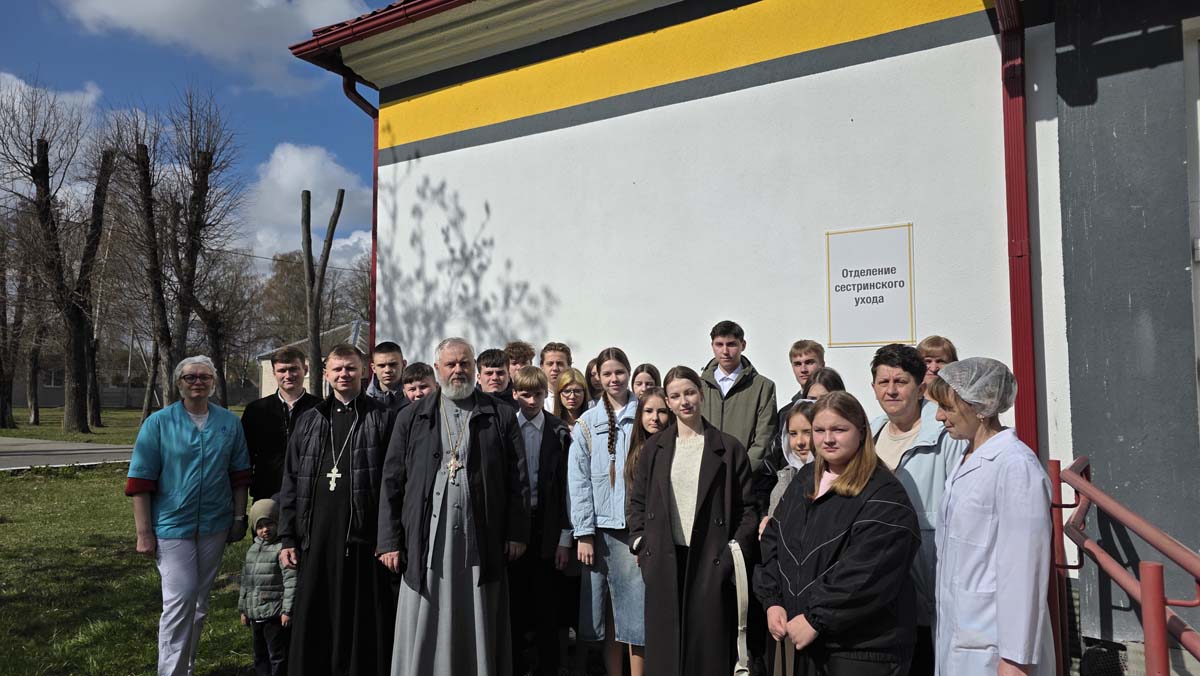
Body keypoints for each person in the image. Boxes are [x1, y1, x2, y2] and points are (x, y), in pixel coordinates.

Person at [378, 337, 531, 676]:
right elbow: (392, 480)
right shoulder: (411, 416)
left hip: (482, 535)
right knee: (427, 606)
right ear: (437, 369)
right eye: (451, 364)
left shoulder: (500, 415)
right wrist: (388, 541)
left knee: (478, 609)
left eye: (465, 363)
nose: (458, 370)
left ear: (474, 367)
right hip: (426, 535)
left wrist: (517, 532)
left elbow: (518, 480)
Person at [755, 391, 921, 676]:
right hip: (804, 641)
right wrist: (773, 601)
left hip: (861, 649)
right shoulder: (804, 481)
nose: (828, 439)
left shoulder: (884, 493)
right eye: (819, 430)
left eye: (839, 430)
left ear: (861, 432)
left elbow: (868, 571)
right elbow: (774, 541)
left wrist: (816, 618)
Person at [126, 355, 251, 676]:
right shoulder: (159, 423)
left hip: (215, 525)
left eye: (204, 377)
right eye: (190, 377)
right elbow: (140, 481)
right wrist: (144, 533)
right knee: (180, 600)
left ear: (213, 382)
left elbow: (239, 476)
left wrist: (239, 518)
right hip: (171, 526)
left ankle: (186, 667)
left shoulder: (229, 423)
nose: (198, 382)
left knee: (198, 604)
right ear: (179, 383)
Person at [627, 366, 757, 676]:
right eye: (675, 396)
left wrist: (730, 556)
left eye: (689, 393)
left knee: (706, 650)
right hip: (664, 559)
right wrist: (641, 544)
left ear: (701, 394)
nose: (684, 401)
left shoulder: (728, 448)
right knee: (665, 653)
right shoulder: (654, 448)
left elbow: (748, 510)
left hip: (710, 560)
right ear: (668, 402)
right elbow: (637, 502)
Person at [277, 344, 397, 676]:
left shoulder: (382, 417)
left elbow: (393, 483)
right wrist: (287, 536)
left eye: (351, 368)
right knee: (316, 615)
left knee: (361, 619)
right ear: (326, 373)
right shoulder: (309, 419)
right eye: (338, 369)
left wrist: (389, 537)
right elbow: (291, 480)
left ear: (364, 372)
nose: (344, 374)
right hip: (315, 537)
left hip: (362, 538)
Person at [929, 358, 1053, 676]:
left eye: (947, 408)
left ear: (981, 406)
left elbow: (1024, 567)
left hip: (995, 645)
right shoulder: (967, 456)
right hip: (962, 632)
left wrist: (1015, 658)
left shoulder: (1016, 466)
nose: (939, 416)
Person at [869, 344, 967, 675]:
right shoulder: (870, 433)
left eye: (901, 381)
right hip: (882, 579)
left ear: (920, 386)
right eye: (883, 382)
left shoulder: (944, 434)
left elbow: (959, 507)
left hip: (930, 575)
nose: (891, 390)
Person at [568, 347, 644, 676]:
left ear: (629, 372)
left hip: (635, 531)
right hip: (600, 531)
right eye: (607, 373)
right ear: (598, 377)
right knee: (609, 614)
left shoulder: (644, 414)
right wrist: (584, 533)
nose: (614, 379)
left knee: (636, 615)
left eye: (619, 372)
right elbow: (578, 482)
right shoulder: (587, 422)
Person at [507, 366, 574, 676]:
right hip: (514, 529)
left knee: (547, 605)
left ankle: (549, 667)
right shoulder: (506, 428)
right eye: (525, 394)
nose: (531, 401)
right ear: (514, 394)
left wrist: (564, 539)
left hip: (547, 528)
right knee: (515, 606)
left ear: (546, 394)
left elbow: (567, 489)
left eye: (537, 394)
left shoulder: (559, 431)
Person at [242, 347, 320, 501]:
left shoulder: (320, 409)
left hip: (310, 494)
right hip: (267, 493)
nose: (288, 375)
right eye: (282, 370)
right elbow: (245, 457)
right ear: (274, 373)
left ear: (305, 370)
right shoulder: (256, 410)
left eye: (293, 369)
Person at [699, 320, 778, 471]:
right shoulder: (698, 386)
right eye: (719, 344)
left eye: (731, 344)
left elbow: (764, 437)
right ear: (712, 346)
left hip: (744, 473)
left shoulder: (763, 386)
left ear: (743, 345)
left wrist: (743, 471)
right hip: (704, 472)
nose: (725, 351)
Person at [238, 498, 296, 676]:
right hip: (256, 615)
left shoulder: (281, 550)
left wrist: (287, 610)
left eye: (269, 524)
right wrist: (243, 609)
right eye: (260, 526)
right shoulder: (252, 550)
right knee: (259, 654)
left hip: (274, 614)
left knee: (277, 654)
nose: (265, 530)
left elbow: (290, 581)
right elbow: (246, 581)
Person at [367, 341, 409, 412]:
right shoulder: (363, 403)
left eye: (393, 364)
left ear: (404, 365)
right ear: (373, 368)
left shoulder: (415, 397)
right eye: (382, 366)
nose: (387, 370)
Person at [541, 342, 573, 412]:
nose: (555, 368)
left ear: (569, 366)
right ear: (542, 367)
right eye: (550, 364)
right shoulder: (535, 397)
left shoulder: (578, 396)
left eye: (560, 364)